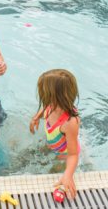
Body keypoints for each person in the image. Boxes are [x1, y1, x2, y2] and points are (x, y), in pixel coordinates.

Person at [29, 69, 80, 200]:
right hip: (52, 145)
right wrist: (36, 118)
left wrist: (68, 175)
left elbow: (73, 154)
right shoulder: (51, 105)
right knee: (31, 155)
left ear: (55, 97)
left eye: (45, 94)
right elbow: (44, 109)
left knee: (53, 172)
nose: (43, 97)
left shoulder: (70, 122)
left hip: (64, 154)